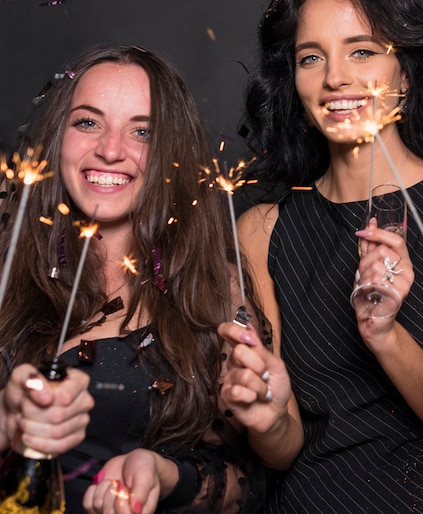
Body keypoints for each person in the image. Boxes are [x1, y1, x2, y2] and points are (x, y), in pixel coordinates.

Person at [231, 0, 423, 513]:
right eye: (312, 58)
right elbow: (283, 451)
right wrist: (265, 418)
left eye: (362, 51)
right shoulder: (262, 229)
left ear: (405, 72)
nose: (336, 77)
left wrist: (385, 336)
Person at [0, 44, 297, 513]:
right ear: (58, 132)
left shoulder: (214, 289)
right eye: (88, 122)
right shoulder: (6, 246)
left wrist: (165, 475)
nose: (110, 150)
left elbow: (252, 480)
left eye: (142, 131)